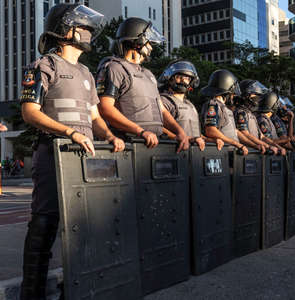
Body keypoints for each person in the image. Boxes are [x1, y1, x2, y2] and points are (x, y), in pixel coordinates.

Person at [19, 4, 125, 299]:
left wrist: (110, 135)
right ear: (68, 31)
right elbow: (29, 112)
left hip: (85, 159)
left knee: (86, 224)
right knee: (45, 222)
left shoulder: (87, 74)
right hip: (53, 153)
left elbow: (94, 116)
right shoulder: (43, 66)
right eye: (86, 28)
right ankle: (31, 293)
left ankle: (75, 289)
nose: (90, 33)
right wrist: (69, 132)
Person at [96, 17, 189, 152]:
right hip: (129, 144)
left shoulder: (149, 74)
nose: (151, 47)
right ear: (138, 42)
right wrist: (141, 132)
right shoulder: (113, 68)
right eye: (149, 43)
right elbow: (105, 108)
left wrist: (180, 132)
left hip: (155, 143)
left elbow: (161, 109)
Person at [157, 60, 224, 151]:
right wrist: (184, 138)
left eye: (187, 79)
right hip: (173, 152)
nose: (183, 81)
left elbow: (196, 133)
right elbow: (159, 129)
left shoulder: (190, 105)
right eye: (179, 77)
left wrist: (211, 140)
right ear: (170, 78)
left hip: (194, 155)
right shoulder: (163, 101)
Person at [200, 69, 254, 155]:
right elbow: (210, 130)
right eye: (232, 93)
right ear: (226, 91)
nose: (233, 96)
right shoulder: (213, 105)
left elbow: (235, 131)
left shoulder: (225, 108)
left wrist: (255, 145)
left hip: (233, 153)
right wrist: (235, 143)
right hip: (223, 154)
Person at [234, 80, 283, 155]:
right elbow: (245, 134)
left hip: (256, 153)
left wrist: (277, 146)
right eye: (255, 95)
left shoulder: (251, 114)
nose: (258, 98)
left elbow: (262, 137)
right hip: (248, 154)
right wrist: (267, 146)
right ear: (247, 96)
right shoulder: (241, 112)